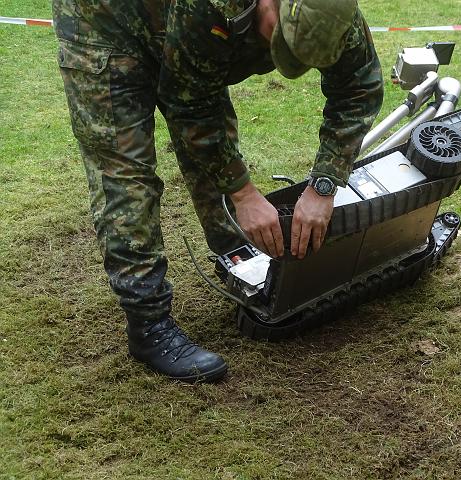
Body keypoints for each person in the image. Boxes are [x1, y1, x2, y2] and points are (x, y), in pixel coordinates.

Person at [53, 0, 383, 382]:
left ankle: (245, 264)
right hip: (108, 24)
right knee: (126, 177)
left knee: (218, 146)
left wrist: (325, 184)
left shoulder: (332, 12)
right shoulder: (210, 5)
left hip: (191, 38)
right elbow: (190, 105)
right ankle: (149, 325)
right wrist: (243, 195)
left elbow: (358, 87)